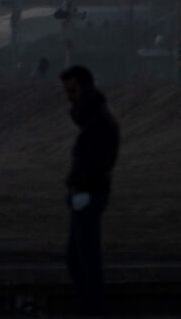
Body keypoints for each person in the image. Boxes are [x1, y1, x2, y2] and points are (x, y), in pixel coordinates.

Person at [60, 65, 120, 317]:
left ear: (85, 88)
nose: (69, 97)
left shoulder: (99, 122)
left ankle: (93, 310)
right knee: (78, 259)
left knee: (85, 261)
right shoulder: (95, 118)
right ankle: (89, 308)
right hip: (84, 194)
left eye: (72, 91)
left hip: (88, 195)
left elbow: (99, 160)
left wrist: (83, 189)